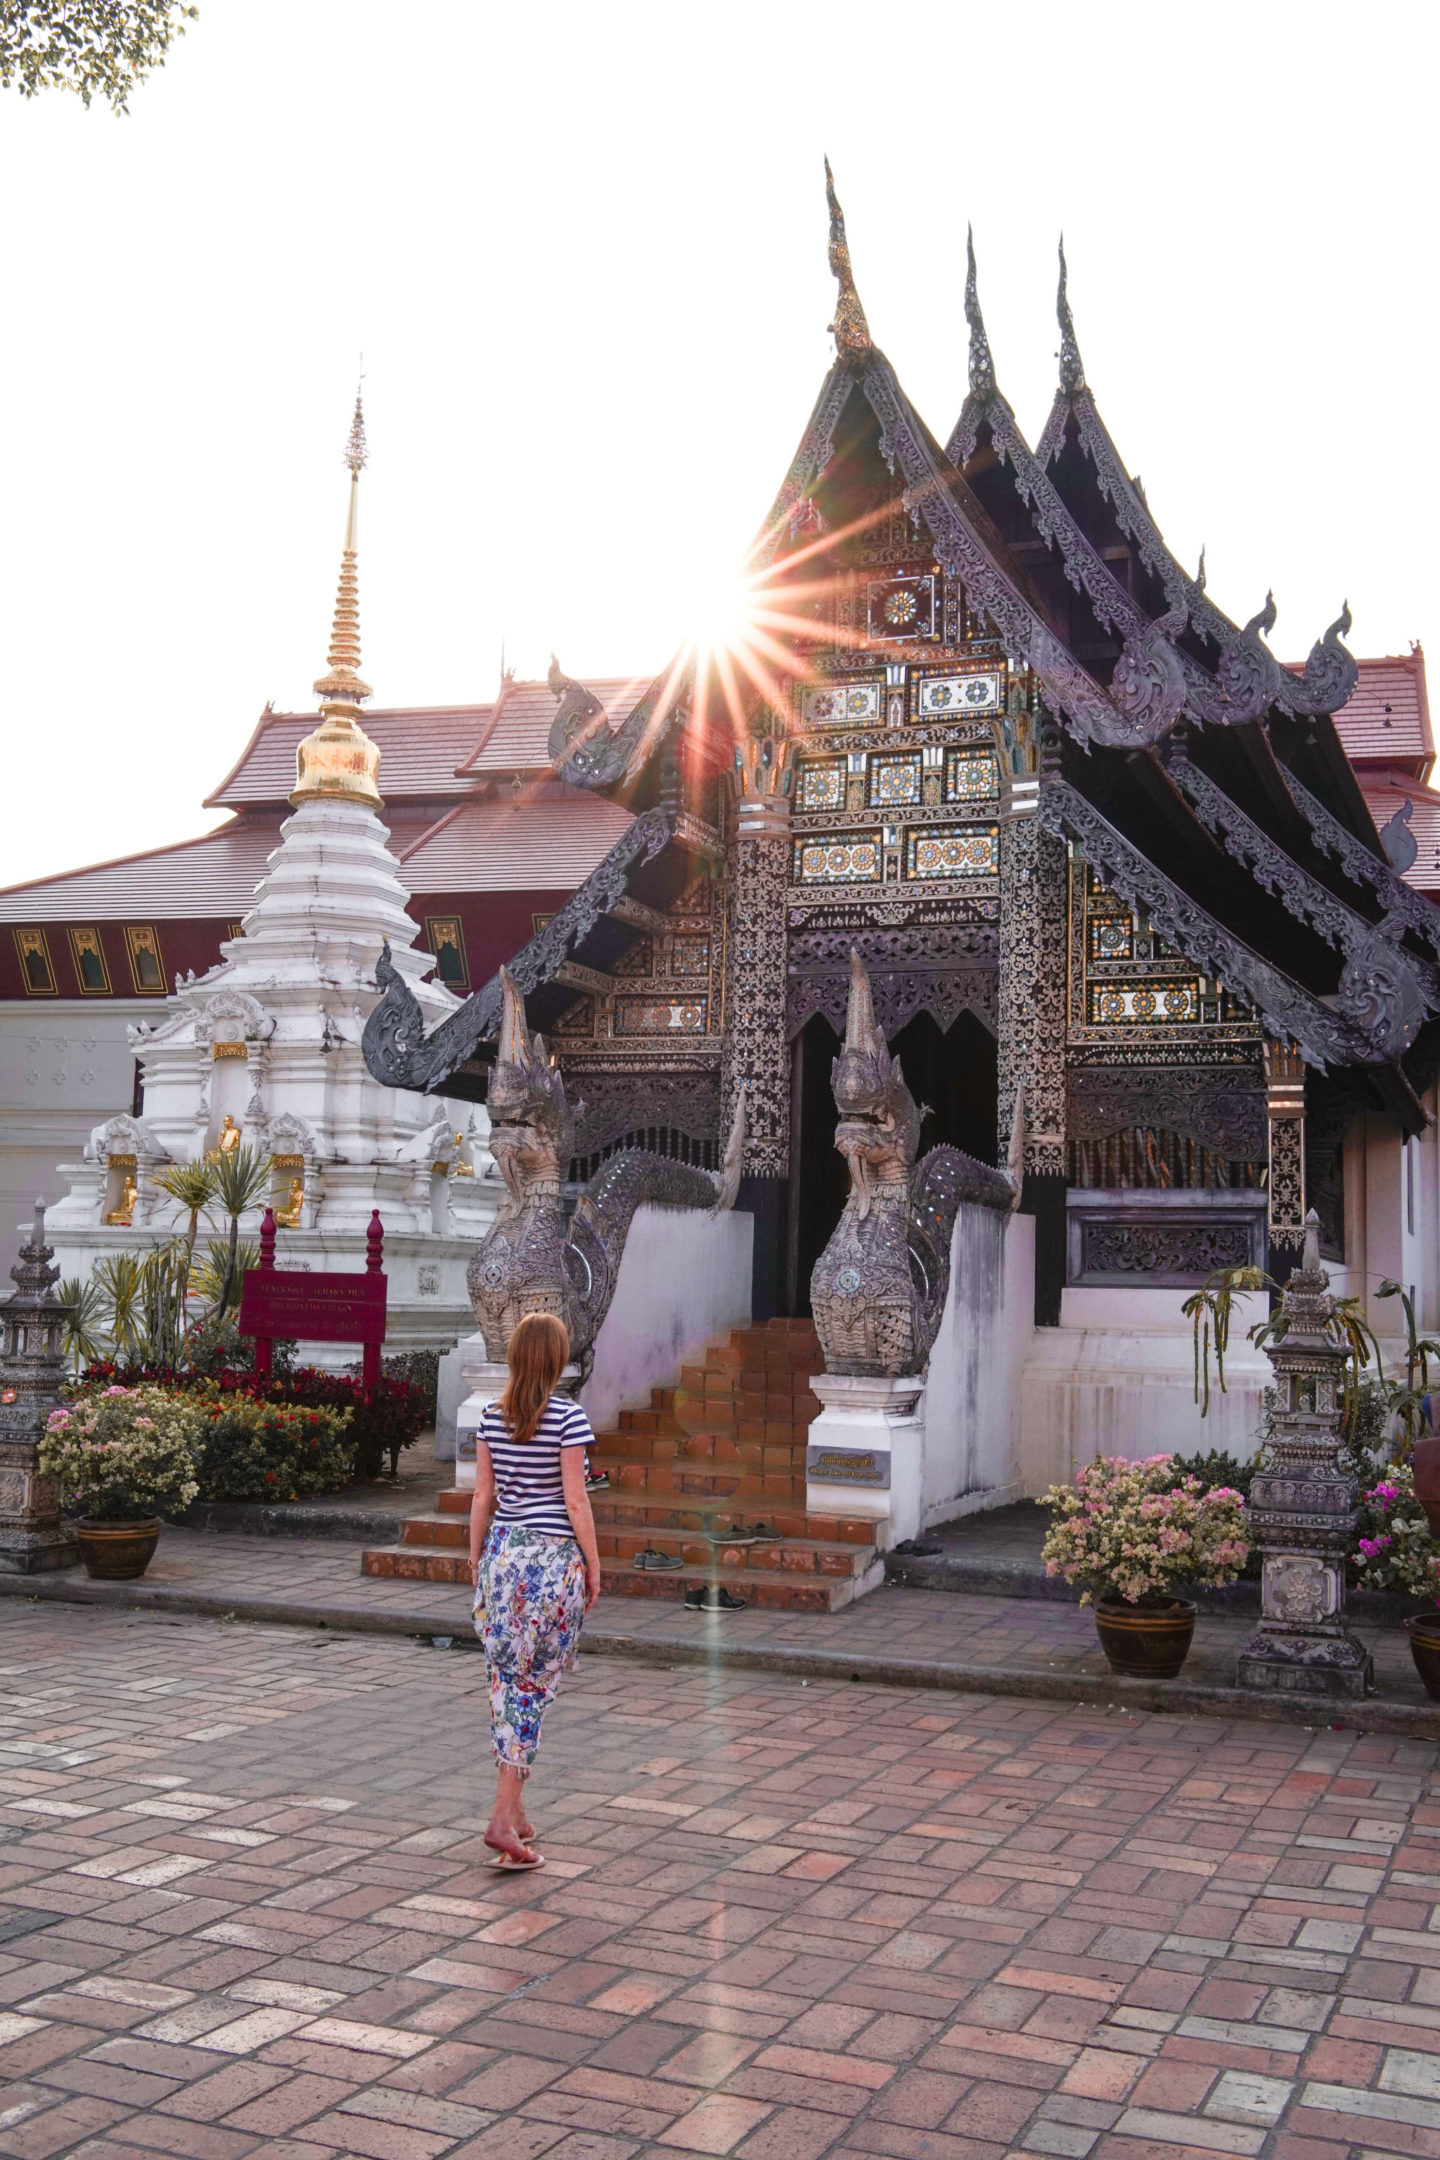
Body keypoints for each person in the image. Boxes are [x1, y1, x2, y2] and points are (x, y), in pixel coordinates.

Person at [468, 1312, 601, 1871]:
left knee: (508, 1683)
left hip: (502, 1559)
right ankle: (502, 1820)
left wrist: (476, 1561)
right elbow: (576, 1501)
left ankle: (515, 1813)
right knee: (531, 1688)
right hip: (551, 1564)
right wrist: (595, 1564)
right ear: (556, 1360)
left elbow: (482, 1496)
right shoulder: (568, 1419)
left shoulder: (491, 1418)